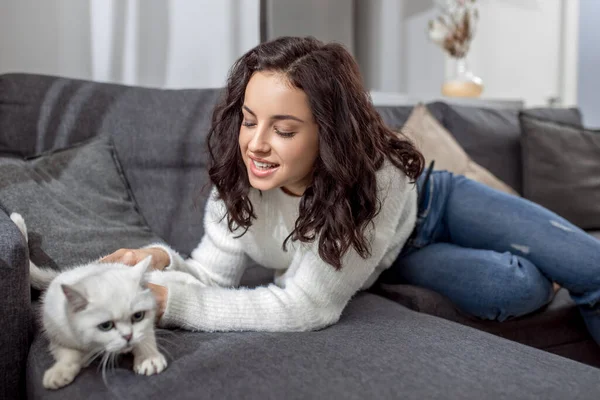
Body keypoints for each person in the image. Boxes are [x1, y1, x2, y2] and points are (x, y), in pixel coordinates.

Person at [101, 36, 600, 344]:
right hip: (388, 254)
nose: (255, 145)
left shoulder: (371, 177)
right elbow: (212, 274)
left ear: (329, 134)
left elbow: (303, 306)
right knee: (518, 288)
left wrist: (177, 305)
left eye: (284, 130)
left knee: (591, 266)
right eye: (249, 121)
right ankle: (386, 268)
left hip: (431, 203)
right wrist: (159, 263)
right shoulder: (240, 186)